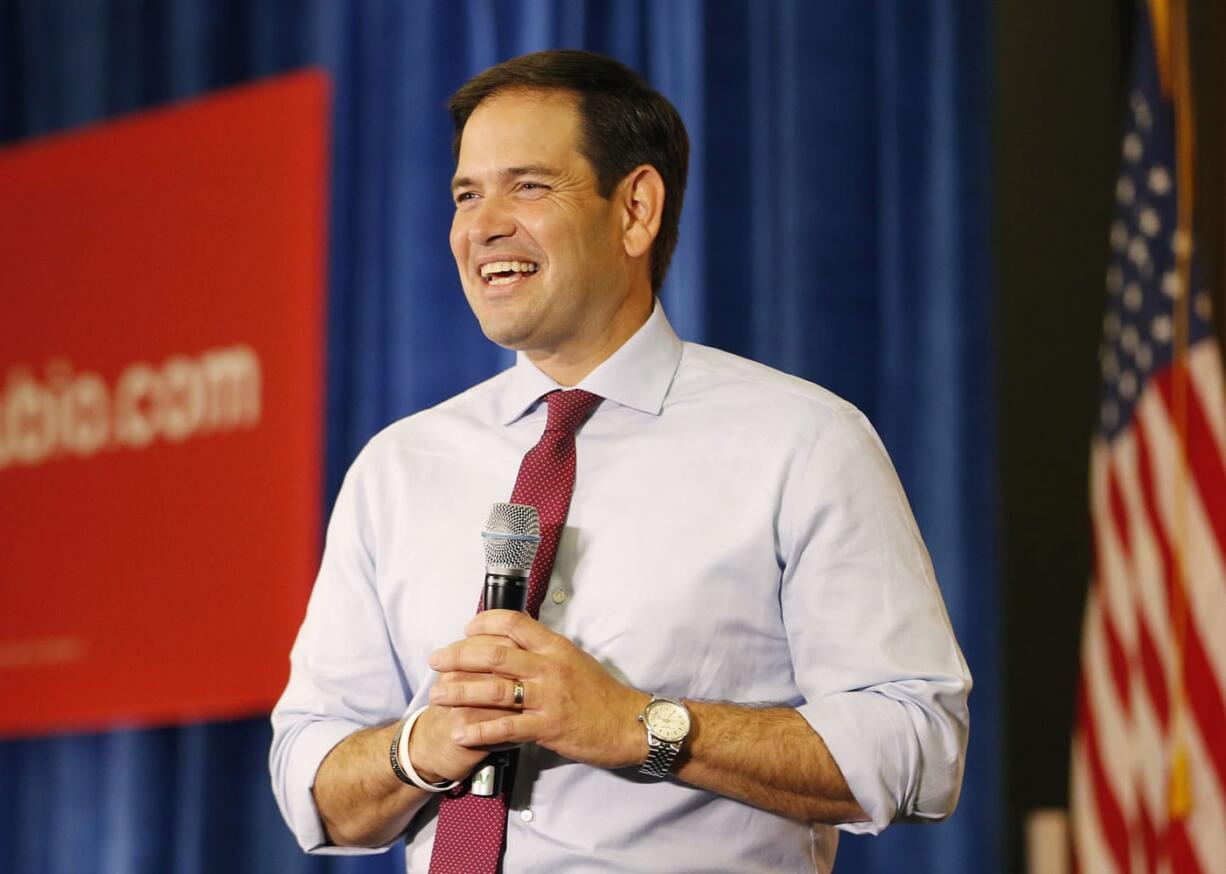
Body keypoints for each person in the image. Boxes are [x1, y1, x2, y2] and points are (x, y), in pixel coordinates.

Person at [270, 49, 971, 873]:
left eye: (527, 185)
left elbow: (919, 745)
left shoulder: (803, 441)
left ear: (635, 209)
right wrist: (421, 745)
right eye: (466, 193)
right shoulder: (398, 467)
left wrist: (638, 727)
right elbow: (309, 784)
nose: (482, 224)